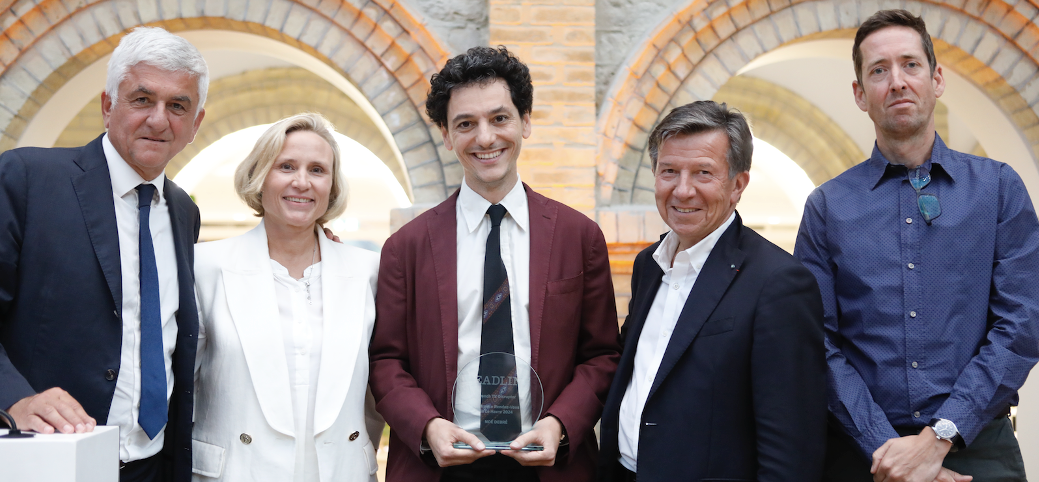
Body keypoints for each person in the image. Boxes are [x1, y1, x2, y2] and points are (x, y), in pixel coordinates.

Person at [795, 9, 1039, 482]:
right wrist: (889, 451)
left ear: (937, 78)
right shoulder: (827, 207)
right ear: (860, 94)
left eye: (911, 64)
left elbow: (1022, 323)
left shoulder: (998, 189)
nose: (898, 81)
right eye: (879, 70)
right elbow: (815, 342)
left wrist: (938, 440)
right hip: (865, 454)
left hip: (977, 447)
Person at [368, 45, 621, 482]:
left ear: (525, 122)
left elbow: (600, 356)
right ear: (447, 136)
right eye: (466, 124)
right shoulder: (404, 247)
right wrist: (427, 426)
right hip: (439, 466)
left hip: (550, 464)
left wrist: (560, 424)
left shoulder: (580, 237)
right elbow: (386, 362)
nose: (485, 138)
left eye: (499, 118)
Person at [0, 27, 207, 482]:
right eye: (141, 99)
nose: (158, 119)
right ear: (108, 104)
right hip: (49, 462)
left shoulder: (183, 212)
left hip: (153, 466)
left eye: (178, 106)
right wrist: (14, 397)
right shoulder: (26, 181)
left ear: (196, 124)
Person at [596, 100, 827, 482]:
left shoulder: (779, 283)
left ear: (738, 185)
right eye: (669, 171)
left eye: (703, 173)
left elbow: (791, 449)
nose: (682, 190)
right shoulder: (647, 266)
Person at [190, 113, 382, 482]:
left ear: (332, 186)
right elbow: (181, 388)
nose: (301, 182)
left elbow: (379, 390)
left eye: (317, 170)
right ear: (260, 177)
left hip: (341, 471)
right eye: (287, 166)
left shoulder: (369, 273)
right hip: (237, 472)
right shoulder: (205, 267)